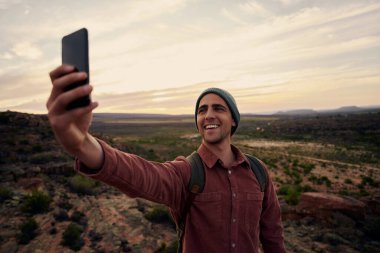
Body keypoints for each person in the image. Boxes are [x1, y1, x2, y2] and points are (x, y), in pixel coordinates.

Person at [47, 64, 286, 253]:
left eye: (218, 108)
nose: (208, 115)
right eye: (202, 110)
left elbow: (272, 236)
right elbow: (142, 175)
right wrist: (83, 144)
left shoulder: (257, 172)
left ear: (233, 119)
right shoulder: (188, 172)